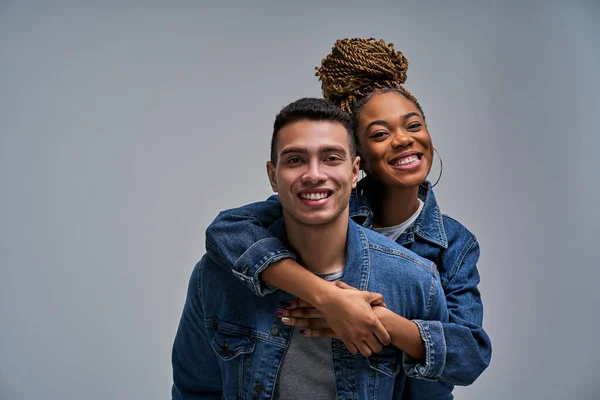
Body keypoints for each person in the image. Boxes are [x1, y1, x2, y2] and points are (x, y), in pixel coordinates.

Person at [205, 38, 492, 398]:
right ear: (358, 161)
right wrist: (329, 298)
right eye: (381, 134)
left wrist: (373, 321)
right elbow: (225, 230)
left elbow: (469, 356)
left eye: (414, 125)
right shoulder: (326, 207)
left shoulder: (454, 245)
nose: (403, 140)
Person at [171, 97, 447, 399]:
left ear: (355, 172)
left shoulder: (416, 283)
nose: (314, 174)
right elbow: (194, 392)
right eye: (294, 160)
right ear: (273, 176)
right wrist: (327, 298)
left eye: (331, 158)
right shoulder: (215, 277)